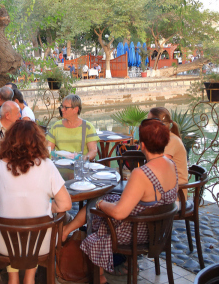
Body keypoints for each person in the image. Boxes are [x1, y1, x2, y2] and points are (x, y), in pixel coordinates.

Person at [76, 119, 178, 283]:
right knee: (108, 199)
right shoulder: (171, 164)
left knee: (98, 212)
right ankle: (116, 264)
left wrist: (100, 204)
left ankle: (99, 275)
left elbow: (119, 213)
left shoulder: (141, 173)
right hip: (159, 231)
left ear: (142, 145)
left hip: (137, 234)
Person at [0, 120, 72, 284]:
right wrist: (47, 206)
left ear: (9, 141)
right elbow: (65, 205)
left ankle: (13, 278)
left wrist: (0, 205)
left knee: (13, 226)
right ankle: (29, 278)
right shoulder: (47, 166)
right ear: (38, 141)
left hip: (4, 245)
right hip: (42, 245)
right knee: (36, 227)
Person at [148, 107, 188, 198]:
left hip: (175, 196)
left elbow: (159, 166)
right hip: (164, 190)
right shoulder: (163, 139)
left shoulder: (171, 141)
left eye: (148, 122)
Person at [46, 95, 99, 160]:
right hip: (59, 166)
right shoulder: (56, 126)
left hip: (79, 166)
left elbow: (93, 151)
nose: (62, 109)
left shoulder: (88, 127)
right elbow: (48, 149)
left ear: (75, 109)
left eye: (66, 107)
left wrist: (83, 160)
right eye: (62, 106)